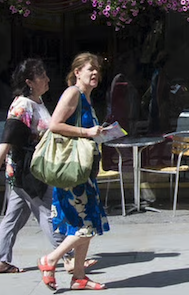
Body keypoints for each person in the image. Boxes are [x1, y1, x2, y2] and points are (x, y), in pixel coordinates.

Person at [37, 53, 109, 291]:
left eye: (97, 70)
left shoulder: (86, 98)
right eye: (90, 69)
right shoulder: (72, 94)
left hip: (84, 172)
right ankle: (51, 260)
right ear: (77, 72)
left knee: (85, 226)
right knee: (85, 226)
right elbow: (54, 125)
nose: (95, 73)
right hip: (72, 174)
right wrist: (88, 133)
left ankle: (79, 276)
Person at [0, 59, 62, 274]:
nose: (47, 79)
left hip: (28, 170)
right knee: (46, 211)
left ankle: (0, 259)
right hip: (25, 171)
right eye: (41, 76)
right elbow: (6, 140)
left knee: (15, 215)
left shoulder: (38, 102)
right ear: (29, 82)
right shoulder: (23, 105)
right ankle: (68, 255)